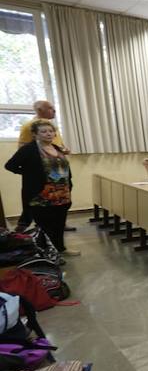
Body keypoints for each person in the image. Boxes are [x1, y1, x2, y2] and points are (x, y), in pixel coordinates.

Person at [5, 119, 78, 256]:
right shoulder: (28, 149)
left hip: (62, 194)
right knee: (45, 227)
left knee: (59, 224)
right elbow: (10, 166)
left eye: (51, 131)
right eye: (43, 131)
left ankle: (61, 249)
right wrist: (29, 173)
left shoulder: (57, 148)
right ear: (35, 134)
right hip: (41, 196)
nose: (48, 134)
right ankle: (46, 253)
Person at [16, 101, 68, 233]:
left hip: (57, 172)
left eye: (50, 132)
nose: (54, 110)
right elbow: (22, 148)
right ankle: (24, 226)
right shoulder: (29, 126)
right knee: (36, 202)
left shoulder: (51, 125)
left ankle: (57, 225)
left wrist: (63, 150)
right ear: (40, 110)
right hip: (41, 172)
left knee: (58, 201)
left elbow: (57, 144)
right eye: (50, 108)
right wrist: (30, 171)